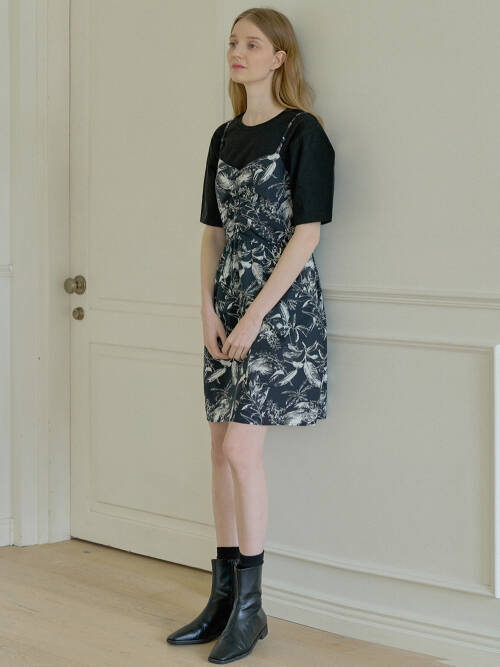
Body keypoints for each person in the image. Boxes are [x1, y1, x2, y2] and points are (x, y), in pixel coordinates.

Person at [167, 7, 335, 663]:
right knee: (219, 449)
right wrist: (206, 309)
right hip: (228, 302)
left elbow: (307, 234)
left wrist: (256, 314)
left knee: (241, 449)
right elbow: (212, 233)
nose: (238, 51)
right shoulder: (223, 136)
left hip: (279, 308)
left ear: (279, 57)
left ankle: (252, 607)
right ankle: (223, 596)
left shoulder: (303, 131)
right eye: (233, 41)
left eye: (252, 43)